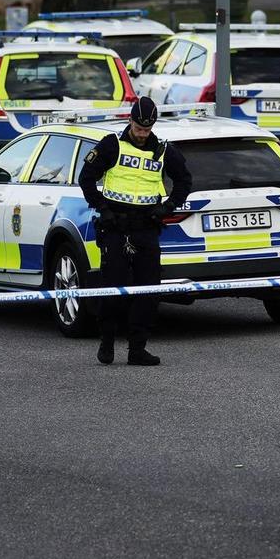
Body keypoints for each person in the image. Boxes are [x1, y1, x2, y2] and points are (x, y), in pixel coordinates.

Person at [78, 97, 192, 366]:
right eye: (139, 128)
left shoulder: (163, 150)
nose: (142, 134)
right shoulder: (111, 145)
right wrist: (102, 209)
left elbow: (184, 179)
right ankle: (107, 342)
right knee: (113, 289)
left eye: (147, 129)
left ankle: (137, 349)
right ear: (130, 121)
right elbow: (86, 178)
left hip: (147, 229)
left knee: (149, 291)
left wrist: (169, 206)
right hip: (116, 228)